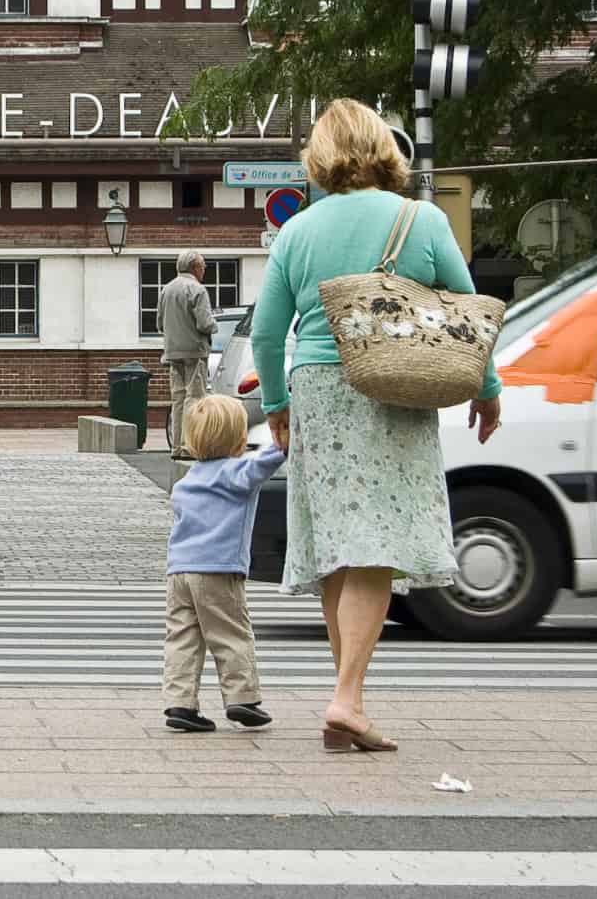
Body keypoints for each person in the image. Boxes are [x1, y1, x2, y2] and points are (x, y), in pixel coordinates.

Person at [251, 98, 502, 754]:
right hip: (392, 383)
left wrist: (277, 405)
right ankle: (347, 698)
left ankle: (348, 699)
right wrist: (488, 389)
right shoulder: (420, 219)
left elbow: (268, 328)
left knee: (340, 541)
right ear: (383, 150)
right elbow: (467, 311)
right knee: (375, 542)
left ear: (320, 156)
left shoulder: (298, 231)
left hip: (316, 388)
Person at [162, 394, 285, 733]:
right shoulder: (236, 472)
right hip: (218, 569)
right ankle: (241, 699)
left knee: (182, 637)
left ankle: (180, 703)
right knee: (231, 634)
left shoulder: (186, 481)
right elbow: (267, 462)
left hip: (179, 573)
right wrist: (286, 438)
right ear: (238, 439)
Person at [159, 249, 219, 458]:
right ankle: (188, 446)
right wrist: (214, 325)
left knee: (178, 399)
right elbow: (204, 323)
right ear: (194, 267)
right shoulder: (197, 289)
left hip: (173, 352)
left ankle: (176, 446)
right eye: (203, 267)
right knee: (194, 398)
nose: (204, 271)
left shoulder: (166, 290)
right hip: (195, 351)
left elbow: (159, 324)